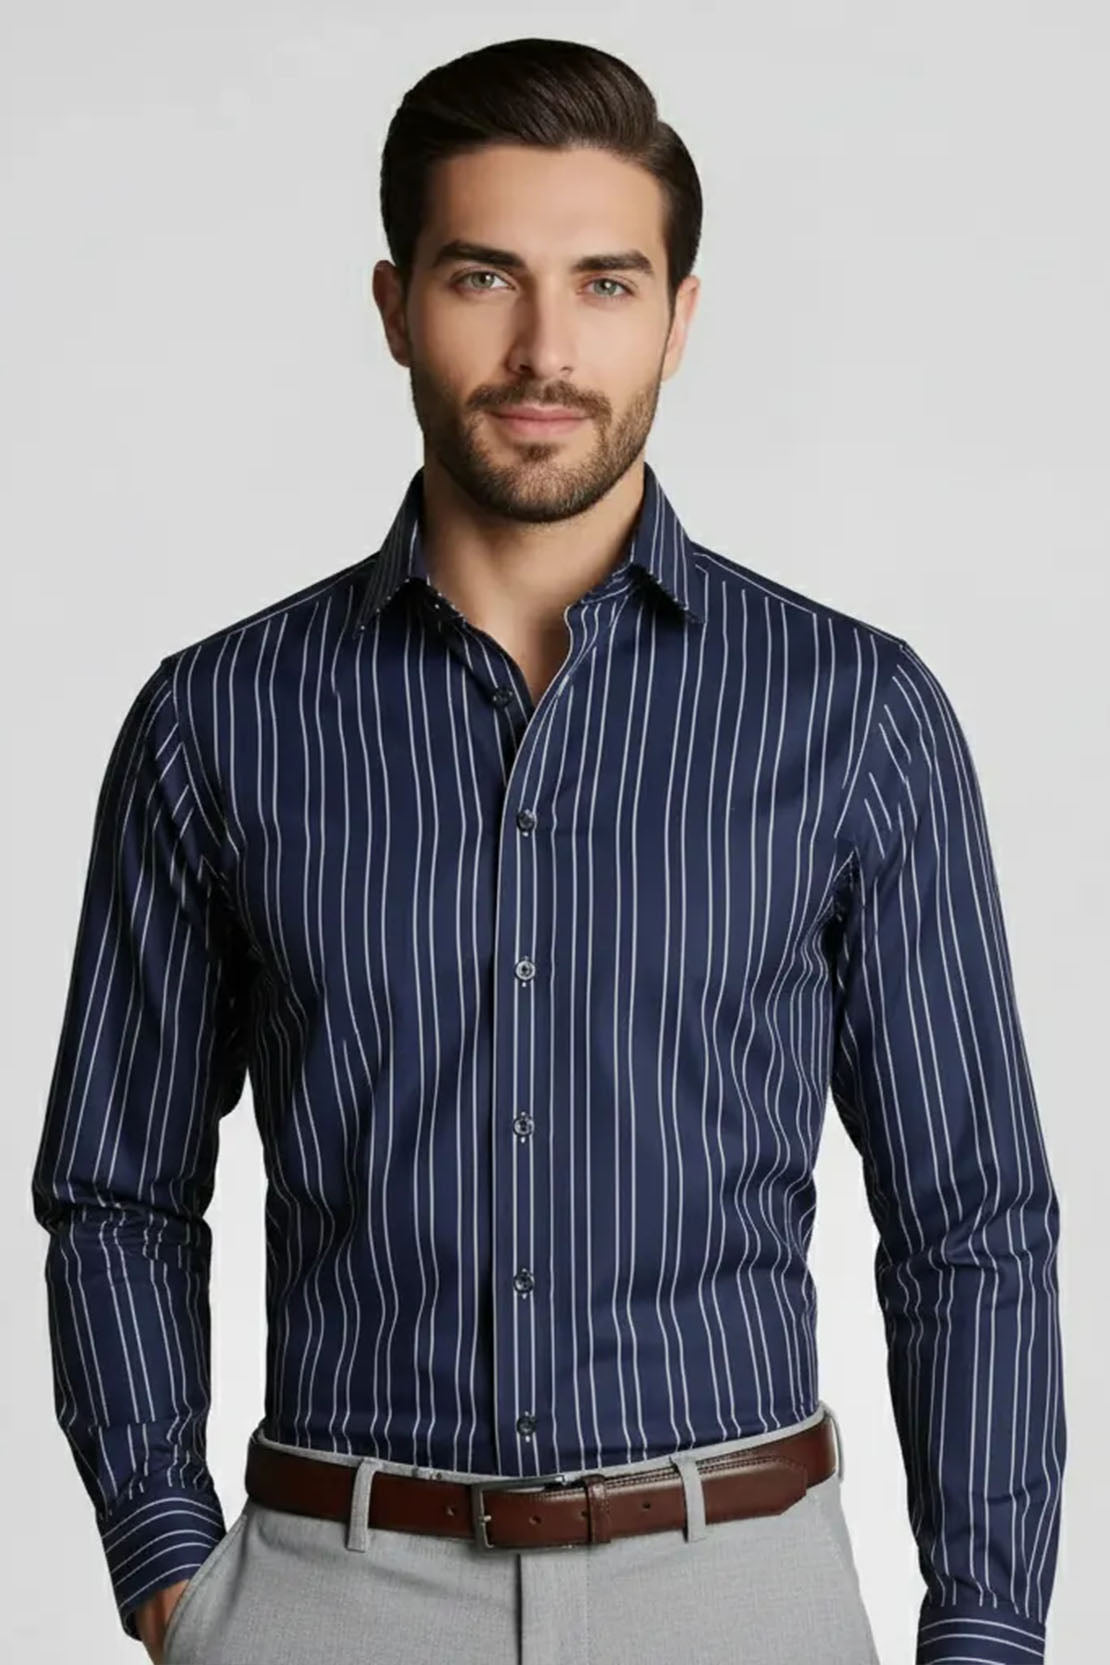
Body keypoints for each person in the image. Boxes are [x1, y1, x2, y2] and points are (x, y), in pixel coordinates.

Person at [31, 34, 1065, 1665]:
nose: (543, 350)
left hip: (738, 1591)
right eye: (481, 277)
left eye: (603, 283)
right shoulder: (217, 720)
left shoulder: (851, 712)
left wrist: (988, 1628)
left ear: (678, 316)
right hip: (333, 1592)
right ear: (394, 307)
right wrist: (168, 1559)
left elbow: (971, 1218)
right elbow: (115, 1188)